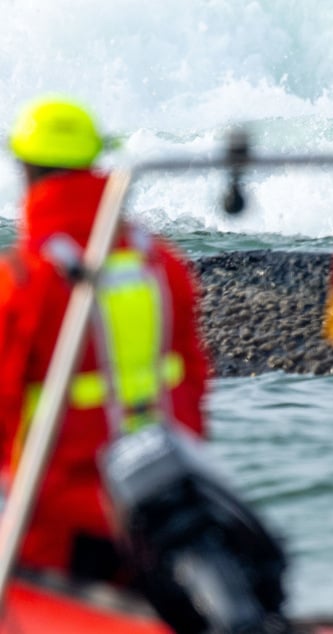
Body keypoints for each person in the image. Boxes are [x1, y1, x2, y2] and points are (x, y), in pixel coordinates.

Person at [0, 95, 210, 583]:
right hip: (162, 499)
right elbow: (195, 380)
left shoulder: (23, 279)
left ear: (26, 171)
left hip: (54, 518)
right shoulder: (161, 264)